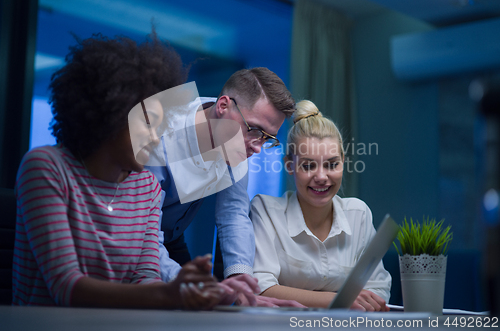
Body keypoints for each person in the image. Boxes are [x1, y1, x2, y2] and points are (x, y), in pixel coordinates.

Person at [12, 32, 234, 309]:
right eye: (149, 124)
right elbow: (66, 287)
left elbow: (146, 277)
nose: (156, 139)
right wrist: (168, 295)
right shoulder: (46, 168)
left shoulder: (149, 188)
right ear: (111, 113)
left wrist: (186, 290)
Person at [147, 68, 303, 306]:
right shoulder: (160, 131)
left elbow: (233, 214)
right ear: (223, 106)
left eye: (267, 138)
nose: (258, 147)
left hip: (171, 237)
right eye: (254, 129)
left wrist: (241, 283)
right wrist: (193, 286)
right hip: (136, 236)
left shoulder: (237, 142)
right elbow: (143, 235)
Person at [250, 100, 391, 311]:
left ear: (343, 161)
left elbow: (377, 289)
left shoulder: (359, 214)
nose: (322, 177)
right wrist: (337, 300)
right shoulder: (266, 210)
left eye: (332, 164)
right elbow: (260, 288)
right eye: (308, 166)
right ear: (290, 166)